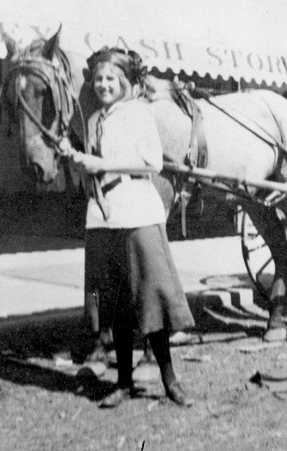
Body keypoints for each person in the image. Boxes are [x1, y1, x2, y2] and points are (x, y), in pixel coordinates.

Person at [66, 47, 195, 408]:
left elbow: (151, 163)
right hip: (103, 219)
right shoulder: (93, 121)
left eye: (111, 79)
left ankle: (169, 379)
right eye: (99, 80)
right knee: (115, 305)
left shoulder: (138, 114)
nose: (104, 85)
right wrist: (77, 162)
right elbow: (93, 169)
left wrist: (101, 163)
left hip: (137, 215)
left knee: (150, 301)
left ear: (123, 82)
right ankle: (122, 383)